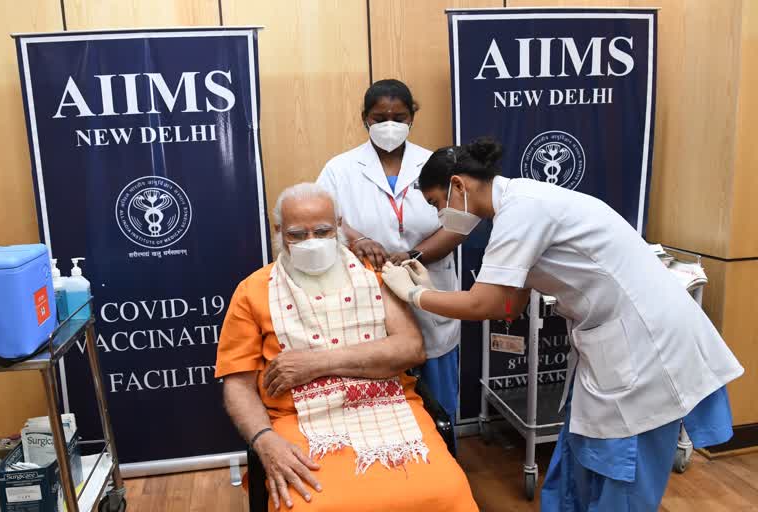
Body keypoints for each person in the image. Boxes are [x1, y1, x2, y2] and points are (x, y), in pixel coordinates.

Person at [381, 138, 744, 511]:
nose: (441, 216)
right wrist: (427, 287)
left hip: (645, 346)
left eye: (437, 204)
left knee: (620, 473)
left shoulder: (523, 210)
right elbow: (509, 303)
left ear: (458, 185)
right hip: (613, 342)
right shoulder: (517, 206)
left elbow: (484, 302)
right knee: (580, 457)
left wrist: (414, 296)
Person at [215, 183, 478, 512]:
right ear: (279, 231)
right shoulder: (253, 291)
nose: (311, 242)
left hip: (389, 405)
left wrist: (315, 364)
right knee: (313, 506)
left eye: (323, 231)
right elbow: (237, 384)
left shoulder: (373, 276)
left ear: (340, 225)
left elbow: (410, 349)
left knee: (447, 493)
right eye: (297, 234)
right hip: (298, 420)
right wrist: (264, 440)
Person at [317, 79, 464, 423]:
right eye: (379, 117)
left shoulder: (436, 164)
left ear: (412, 116)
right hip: (369, 291)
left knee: (439, 401)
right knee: (380, 402)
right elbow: (325, 220)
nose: (389, 126)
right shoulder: (340, 169)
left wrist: (416, 255)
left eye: (398, 117)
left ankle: (445, 468)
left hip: (429, 288)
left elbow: (459, 223)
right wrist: (356, 239)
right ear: (364, 118)